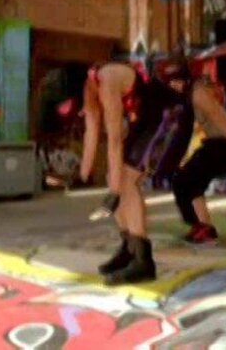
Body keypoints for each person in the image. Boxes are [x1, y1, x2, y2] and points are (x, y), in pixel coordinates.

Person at [75, 56, 195, 285]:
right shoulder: (89, 90)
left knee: (127, 181)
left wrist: (114, 193)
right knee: (115, 176)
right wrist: (83, 174)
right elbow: (91, 130)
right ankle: (129, 248)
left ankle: (143, 261)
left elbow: (114, 140)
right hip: (148, 119)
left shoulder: (106, 80)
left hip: (170, 115)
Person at [173, 77, 226, 245]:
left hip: (225, 145)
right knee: (188, 182)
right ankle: (202, 226)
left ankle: (204, 227)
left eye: (175, 82)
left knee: (185, 180)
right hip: (216, 144)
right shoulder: (189, 95)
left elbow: (223, 123)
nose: (173, 86)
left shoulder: (197, 93)